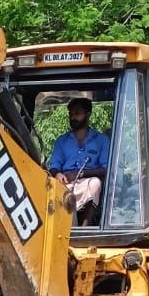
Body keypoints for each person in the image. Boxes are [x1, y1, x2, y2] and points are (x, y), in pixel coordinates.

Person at [49, 97, 110, 228]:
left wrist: (81, 174)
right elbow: (54, 166)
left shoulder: (102, 140)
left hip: (87, 182)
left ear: (88, 114)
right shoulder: (62, 141)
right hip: (65, 184)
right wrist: (58, 174)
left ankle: (84, 228)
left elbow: (105, 169)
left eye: (77, 114)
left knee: (95, 183)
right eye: (71, 114)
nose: (73, 118)